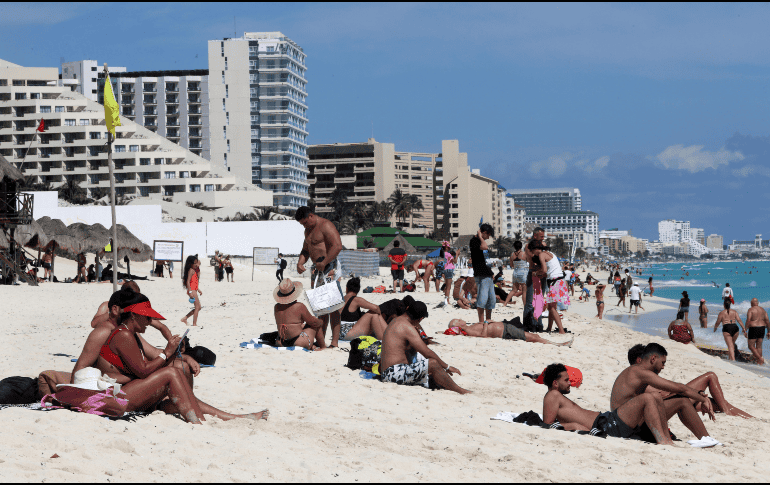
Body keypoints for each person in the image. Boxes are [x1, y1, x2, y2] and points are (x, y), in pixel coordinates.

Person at [96, 291, 268, 423]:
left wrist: (182, 358)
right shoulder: (124, 335)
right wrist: (167, 352)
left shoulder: (129, 333)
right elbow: (143, 371)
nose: (149, 321)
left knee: (180, 370)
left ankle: (225, 417)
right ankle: (200, 421)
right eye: (147, 317)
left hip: (128, 391)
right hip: (116, 398)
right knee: (171, 373)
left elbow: (144, 365)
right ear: (134, 315)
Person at [610, 343, 719, 446]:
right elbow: (680, 389)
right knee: (678, 400)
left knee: (681, 400)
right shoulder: (640, 372)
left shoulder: (637, 372)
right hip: (623, 423)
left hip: (631, 419)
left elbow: (669, 394)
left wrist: (699, 395)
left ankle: (706, 439)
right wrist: (703, 399)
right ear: (653, 359)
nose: (663, 367)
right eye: (662, 363)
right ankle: (704, 438)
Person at [542, 363, 674, 443]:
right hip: (606, 425)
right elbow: (548, 425)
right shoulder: (553, 395)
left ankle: (666, 439)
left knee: (655, 397)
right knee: (647, 398)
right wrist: (574, 425)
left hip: (606, 421)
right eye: (566, 380)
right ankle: (663, 440)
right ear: (555, 383)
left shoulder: (556, 396)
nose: (570, 383)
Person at [626, 344, 752, 418]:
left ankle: (750, 418)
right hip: (674, 402)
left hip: (676, 400)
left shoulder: (639, 377)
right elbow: (672, 392)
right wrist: (697, 395)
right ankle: (727, 412)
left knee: (719, 403)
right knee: (710, 376)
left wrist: (698, 394)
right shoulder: (642, 377)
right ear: (639, 360)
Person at [379, 301, 470, 394]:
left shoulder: (396, 321)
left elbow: (407, 351)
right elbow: (426, 352)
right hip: (393, 373)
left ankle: (445, 386)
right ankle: (460, 391)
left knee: (434, 375)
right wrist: (447, 367)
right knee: (433, 363)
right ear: (420, 319)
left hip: (388, 372)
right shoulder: (406, 326)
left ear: (407, 309)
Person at [295, 206, 344, 347]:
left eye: (305, 222)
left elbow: (337, 246)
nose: (304, 226)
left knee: (333, 307)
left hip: (329, 267)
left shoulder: (325, 225)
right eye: (302, 224)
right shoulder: (307, 230)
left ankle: (334, 342)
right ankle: (321, 342)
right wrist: (300, 262)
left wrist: (325, 262)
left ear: (311, 216)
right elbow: (306, 250)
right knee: (321, 307)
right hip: (317, 269)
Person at [273, 278, 325, 350]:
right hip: (298, 342)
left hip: (281, 342)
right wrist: (321, 322)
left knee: (301, 325)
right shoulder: (299, 306)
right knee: (316, 323)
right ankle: (323, 347)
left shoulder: (276, 307)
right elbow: (312, 322)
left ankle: (313, 346)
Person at [447, 319, 573, 346]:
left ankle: (556, 343)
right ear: (458, 325)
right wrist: (485, 323)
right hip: (505, 331)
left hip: (505, 328)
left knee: (533, 336)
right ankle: (558, 344)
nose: (461, 319)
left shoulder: (469, 326)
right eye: (458, 320)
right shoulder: (468, 329)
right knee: (533, 337)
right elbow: (483, 336)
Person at [531, 243, 568, 334]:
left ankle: (561, 330)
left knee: (551, 308)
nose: (533, 253)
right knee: (552, 307)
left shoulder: (541, 255)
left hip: (555, 282)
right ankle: (549, 328)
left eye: (532, 251)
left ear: (536, 249)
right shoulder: (550, 253)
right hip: (560, 281)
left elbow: (544, 270)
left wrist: (535, 273)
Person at [470, 223, 495, 324]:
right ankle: (481, 322)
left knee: (491, 299)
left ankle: (488, 320)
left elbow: (485, 258)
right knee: (482, 298)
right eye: (488, 235)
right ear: (484, 232)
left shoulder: (479, 241)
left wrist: (491, 272)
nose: (488, 237)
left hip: (487, 273)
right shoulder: (475, 241)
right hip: (481, 274)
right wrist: (480, 237)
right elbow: (485, 247)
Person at [523, 228, 546, 329]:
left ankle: (538, 324)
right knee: (530, 301)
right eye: (541, 236)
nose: (543, 238)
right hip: (533, 273)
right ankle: (527, 324)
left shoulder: (544, 245)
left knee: (539, 300)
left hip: (542, 275)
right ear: (535, 236)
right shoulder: (528, 246)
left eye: (543, 236)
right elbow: (531, 260)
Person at [745, 298, 770, 365]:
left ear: (751, 303)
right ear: (757, 303)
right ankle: (759, 363)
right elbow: (767, 320)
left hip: (753, 328)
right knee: (759, 346)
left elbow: (748, 320)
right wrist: (768, 331)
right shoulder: (763, 310)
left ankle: (760, 358)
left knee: (751, 346)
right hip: (762, 328)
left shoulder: (751, 309)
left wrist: (745, 329)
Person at [181, 255, 202, 326]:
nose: (196, 265)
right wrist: (190, 292)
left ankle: (185, 318)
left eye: (197, 263)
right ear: (190, 263)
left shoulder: (194, 270)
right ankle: (194, 324)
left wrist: (198, 289)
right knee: (197, 307)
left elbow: (193, 282)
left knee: (199, 307)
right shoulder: (191, 270)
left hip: (194, 290)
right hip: (192, 290)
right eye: (194, 263)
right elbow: (188, 281)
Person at [508, 240, 528, 307]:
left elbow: (511, 265)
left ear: (514, 247)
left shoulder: (512, 254)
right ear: (521, 246)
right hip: (523, 273)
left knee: (513, 290)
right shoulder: (524, 254)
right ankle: (525, 305)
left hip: (515, 273)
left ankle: (505, 303)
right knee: (524, 291)